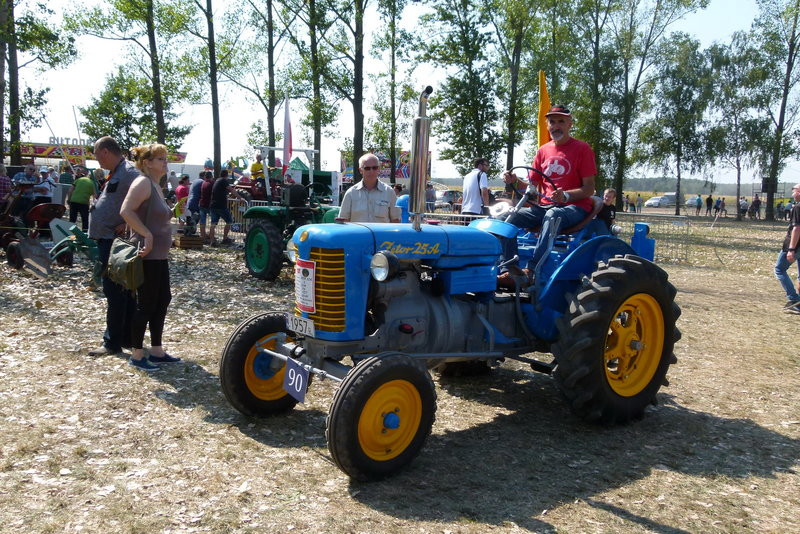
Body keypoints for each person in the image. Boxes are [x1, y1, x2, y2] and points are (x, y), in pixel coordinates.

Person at [499, 105, 596, 287]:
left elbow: (589, 189)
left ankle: (532, 270)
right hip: (545, 206)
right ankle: (510, 270)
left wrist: (566, 196)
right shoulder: (543, 151)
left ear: (570, 124)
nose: (556, 126)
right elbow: (533, 187)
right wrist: (515, 180)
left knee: (553, 215)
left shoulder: (582, 149)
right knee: (506, 218)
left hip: (575, 207)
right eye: (552, 121)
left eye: (561, 121)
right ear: (547, 125)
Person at [120, 143, 180, 371]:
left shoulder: (156, 184)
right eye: (160, 158)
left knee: (162, 300)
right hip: (146, 255)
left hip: (159, 256)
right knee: (145, 304)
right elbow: (126, 211)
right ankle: (137, 354)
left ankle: (156, 350)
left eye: (165, 158)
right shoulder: (143, 182)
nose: (166, 162)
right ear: (147, 163)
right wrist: (146, 234)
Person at [87, 136, 139, 356]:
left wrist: (127, 222)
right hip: (107, 238)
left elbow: (145, 199)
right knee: (123, 291)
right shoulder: (117, 172)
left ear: (106, 151)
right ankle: (126, 337)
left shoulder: (129, 172)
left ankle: (112, 342)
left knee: (115, 291)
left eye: (99, 156)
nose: (98, 161)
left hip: (115, 242)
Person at [338, 153, 400, 223]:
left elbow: (395, 221)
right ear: (360, 170)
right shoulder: (351, 193)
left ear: (379, 169)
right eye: (367, 168)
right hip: (358, 234)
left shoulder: (389, 192)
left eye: (374, 168)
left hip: (381, 234)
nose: (371, 171)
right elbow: (344, 220)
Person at [775, 184, 800, 312]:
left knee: (779, 269)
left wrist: (791, 249)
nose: (792, 194)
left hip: (795, 245)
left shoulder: (797, 207)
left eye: (794, 191)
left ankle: (794, 299)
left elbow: (796, 228)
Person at [208, 169, 245, 246]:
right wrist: (240, 197)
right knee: (229, 221)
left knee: (213, 223)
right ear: (226, 175)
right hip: (221, 206)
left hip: (213, 205)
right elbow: (231, 190)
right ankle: (225, 238)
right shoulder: (224, 181)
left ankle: (212, 241)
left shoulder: (217, 180)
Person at [199, 170, 214, 242]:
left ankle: (203, 237)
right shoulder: (211, 183)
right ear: (211, 177)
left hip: (202, 204)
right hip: (209, 205)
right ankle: (211, 237)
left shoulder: (203, 183)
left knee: (202, 222)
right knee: (213, 221)